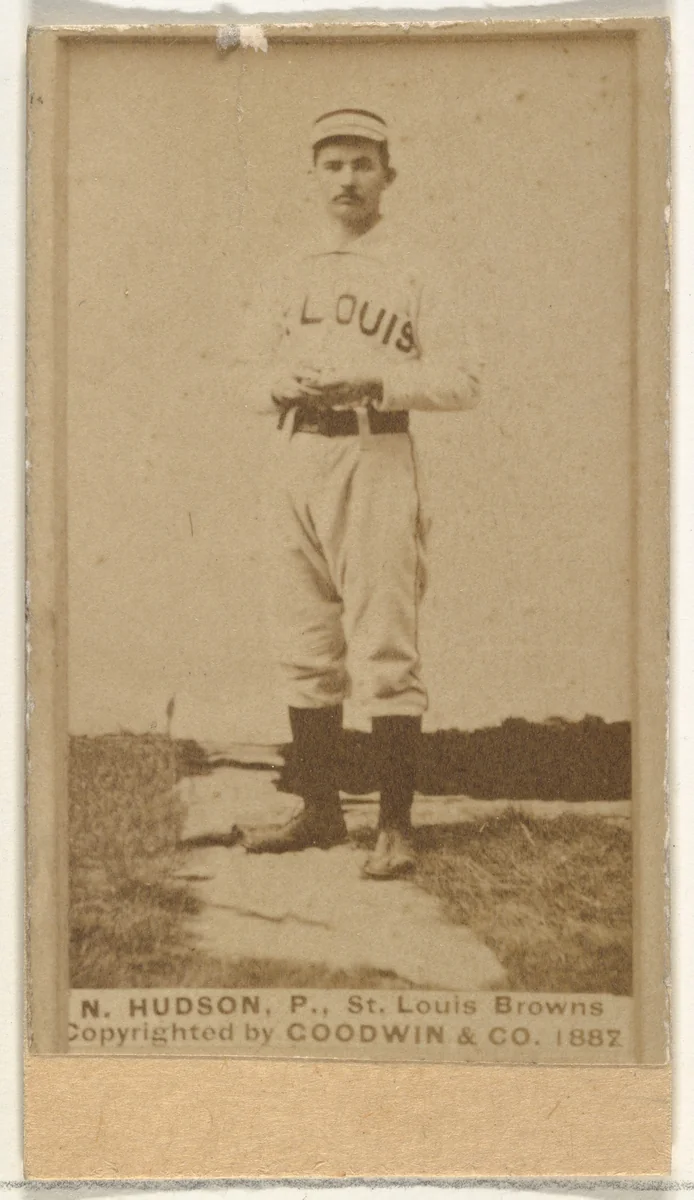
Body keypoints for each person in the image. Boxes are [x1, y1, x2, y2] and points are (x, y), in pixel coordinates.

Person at [236, 108, 481, 879]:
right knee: (303, 641)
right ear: (314, 176)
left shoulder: (417, 267)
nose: (347, 178)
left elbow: (463, 379)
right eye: (333, 164)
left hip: (374, 453)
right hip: (294, 454)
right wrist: (278, 382)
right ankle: (319, 812)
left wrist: (375, 379)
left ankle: (395, 826)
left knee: (384, 644)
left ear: (387, 175)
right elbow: (241, 374)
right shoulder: (287, 268)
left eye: (362, 164)